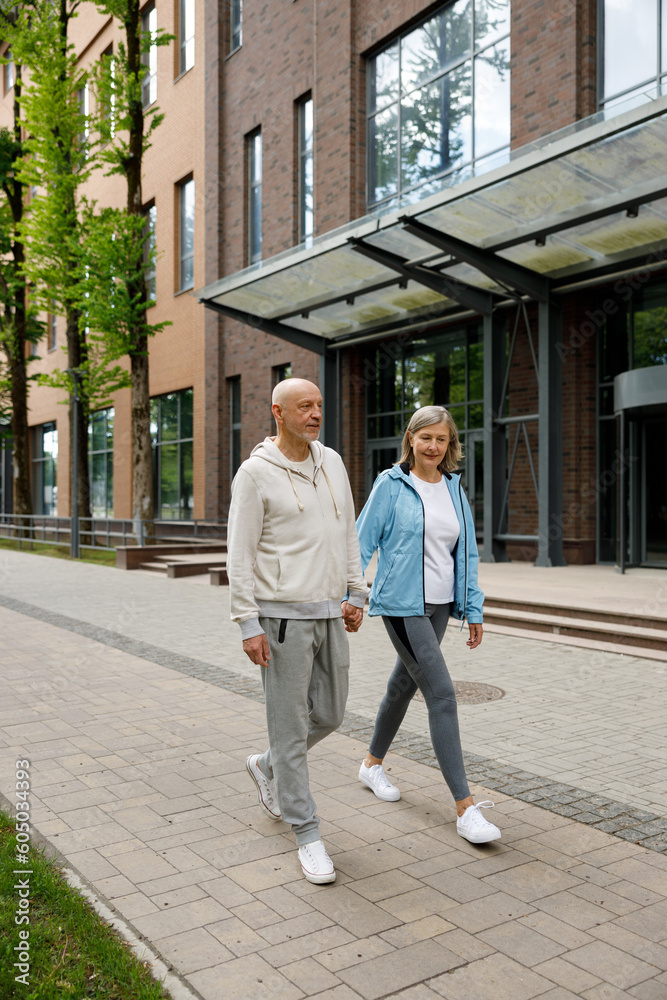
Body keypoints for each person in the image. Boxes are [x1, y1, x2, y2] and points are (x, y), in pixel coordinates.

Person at [227, 378, 368, 883]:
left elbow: (347, 530)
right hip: (280, 618)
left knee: (329, 714)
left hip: (332, 612)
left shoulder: (332, 463)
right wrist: (247, 622)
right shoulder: (254, 474)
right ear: (278, 413)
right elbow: (239, 555)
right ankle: (306, 832)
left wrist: (357, 592)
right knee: (288, 727)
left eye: (319, 405)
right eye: (304, 406)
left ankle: (267, 766)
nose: (315, 413)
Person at [355, 405, 500, 844]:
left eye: (441, 439)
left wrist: (472, 608)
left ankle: (370, 765)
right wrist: (352, 597)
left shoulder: (454, 488)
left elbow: (468, 553)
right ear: (411, 439)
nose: (433, 446)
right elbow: (361, 542)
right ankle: (465, 808)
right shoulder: (390, 485)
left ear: (449, 444)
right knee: (441, 692)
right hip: (402, 605)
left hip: (441, 604)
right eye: (426, 438)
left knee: (403, 685)